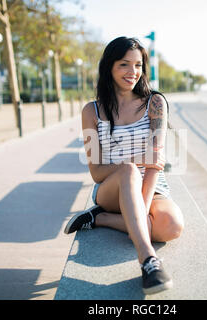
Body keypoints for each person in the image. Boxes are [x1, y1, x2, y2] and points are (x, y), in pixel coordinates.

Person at [64, 36, 184, 295]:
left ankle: (101, 219)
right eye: (124, 65)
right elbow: (96, 172)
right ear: (109, 66)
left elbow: (155, 165)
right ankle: (149, 261)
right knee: (129, 169)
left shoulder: (155, 103)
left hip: (153, 185)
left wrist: (140, 206)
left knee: (172, 225)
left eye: (138, 65)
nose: (133, 72)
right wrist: (135, 161)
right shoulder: (91, 111)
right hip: (112, 189)